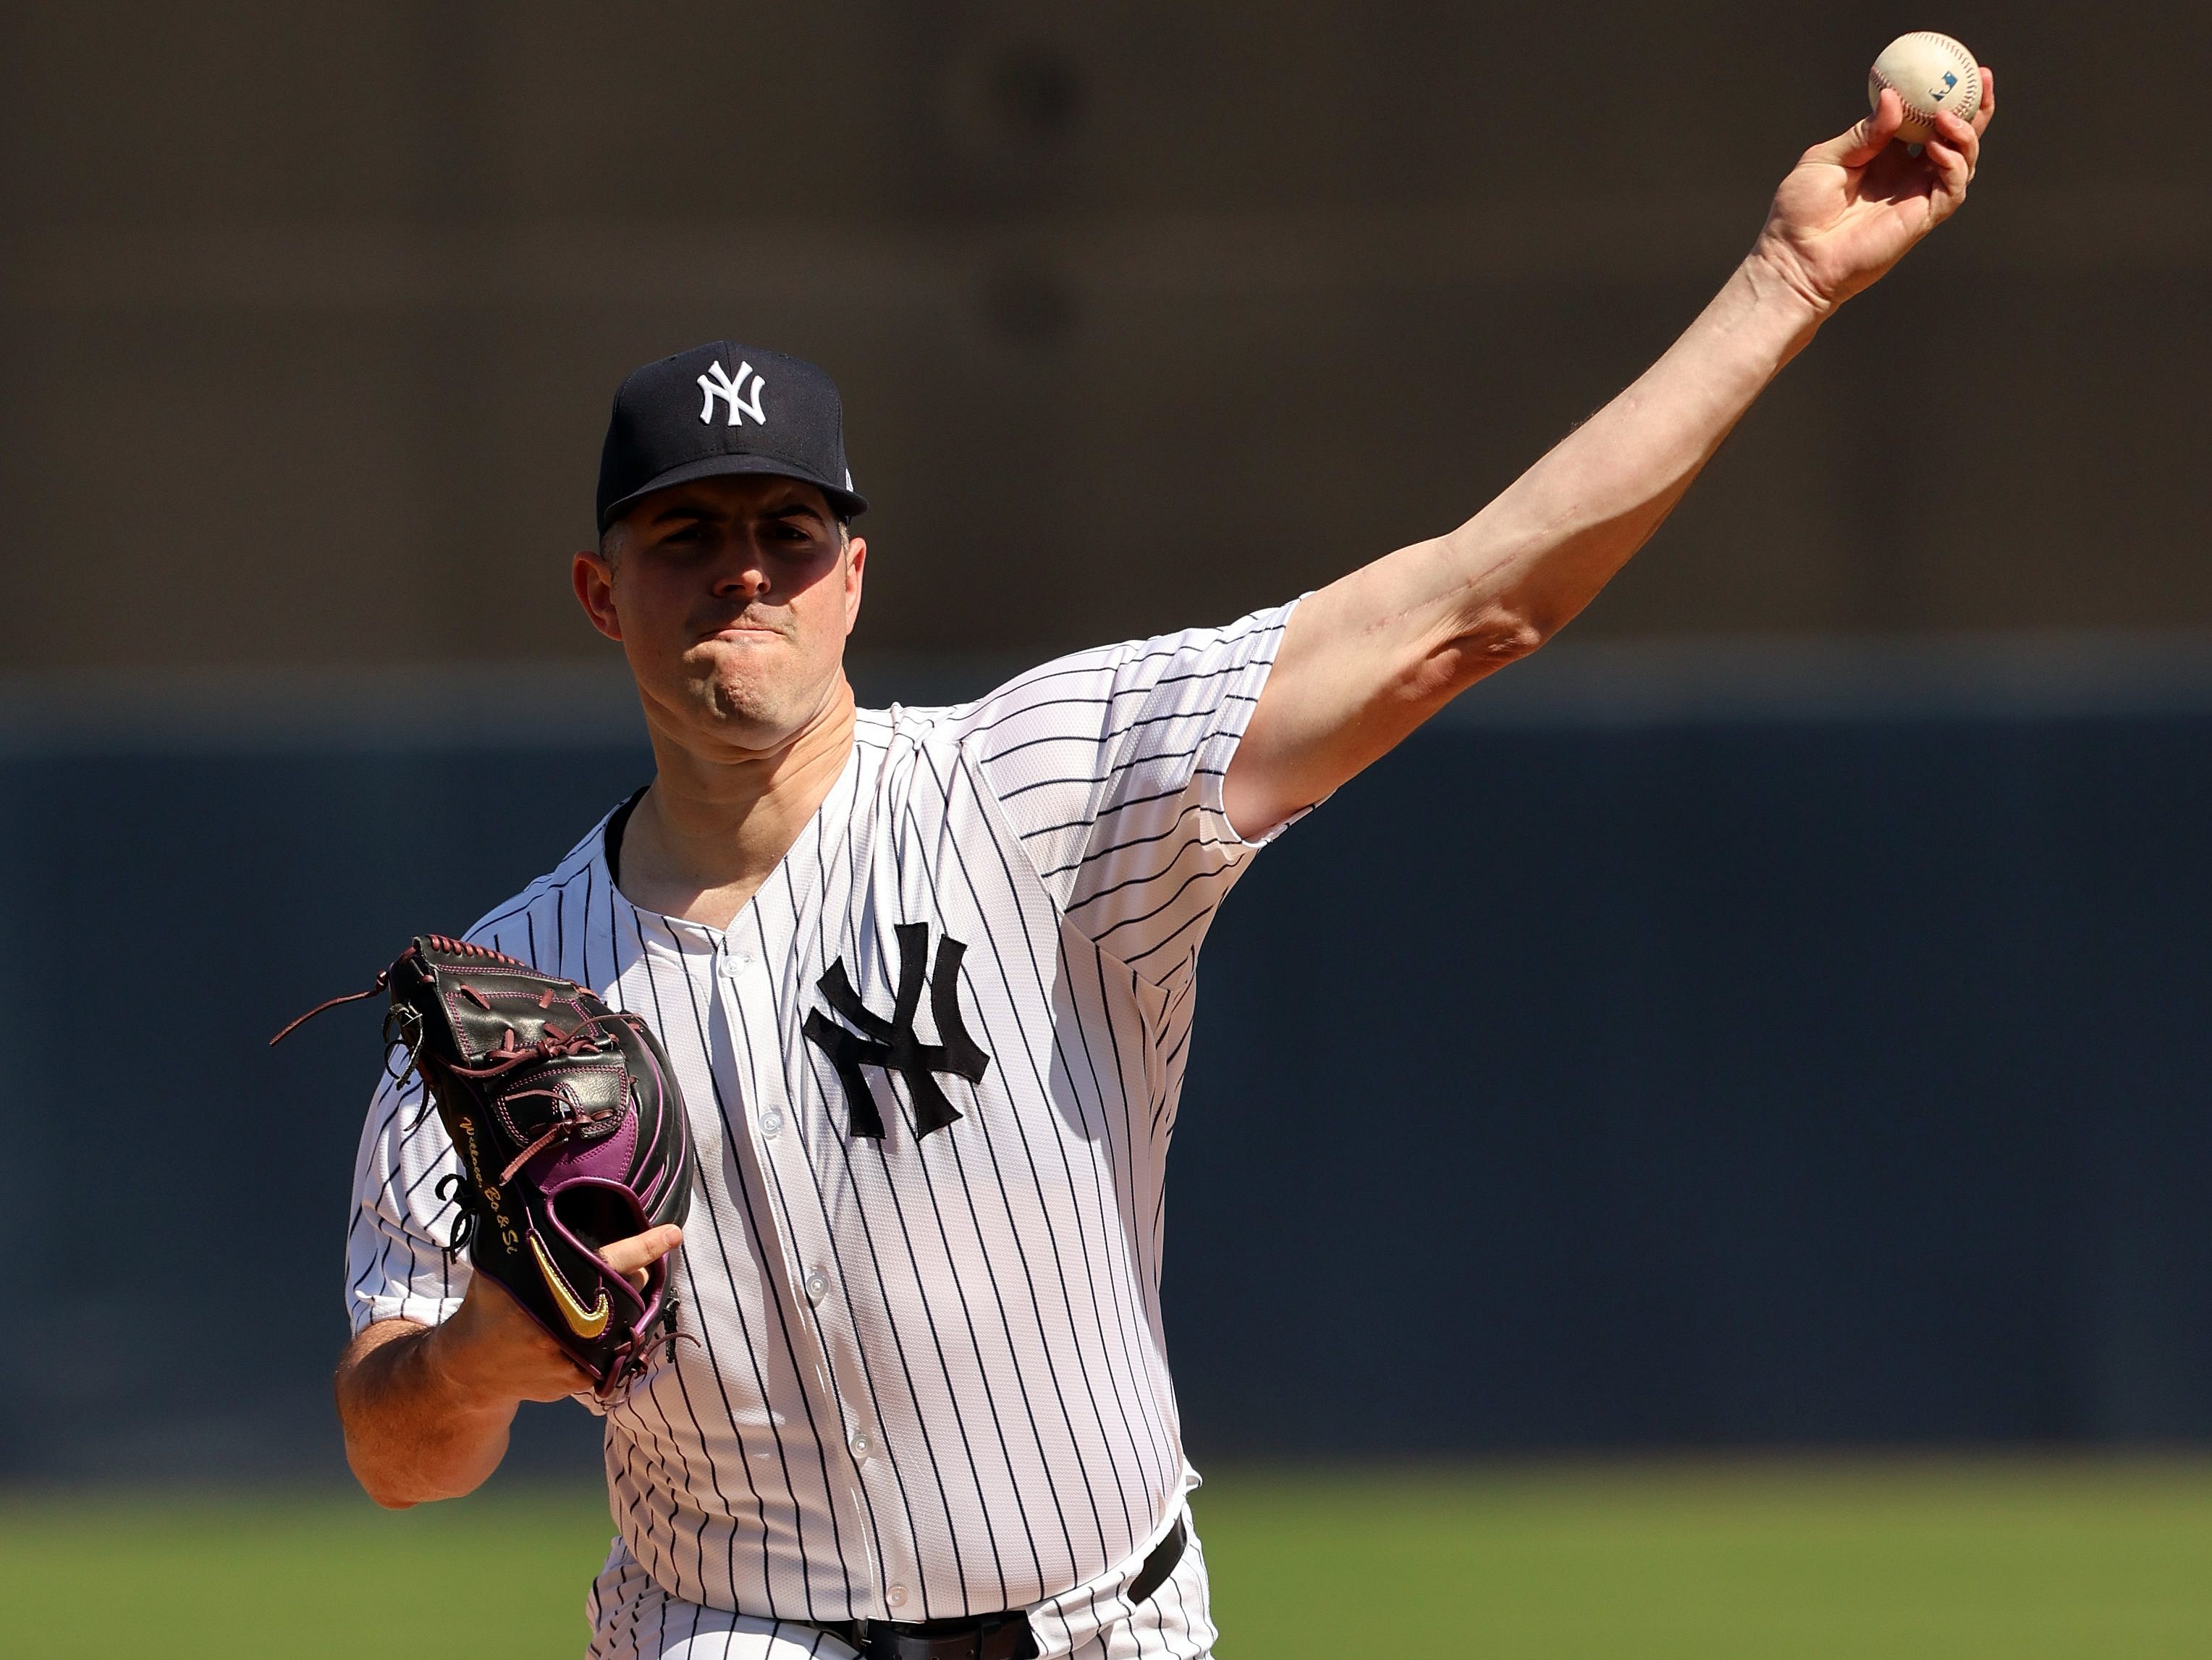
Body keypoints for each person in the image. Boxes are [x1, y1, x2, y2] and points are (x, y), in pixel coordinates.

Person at [336, 80, 1993, 1660]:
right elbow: (395, 1444)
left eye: (785, 528)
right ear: (597, 589)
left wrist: (1783, 280)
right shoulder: (508, 993)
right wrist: (477, 1360)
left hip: (1099, 1620)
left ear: (854, 573)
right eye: (686, 534)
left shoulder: (1033, 790)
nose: (742, 573)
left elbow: (1468, 609)